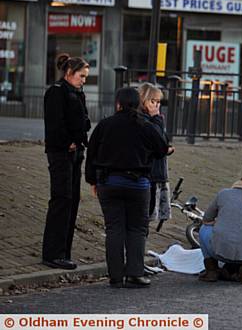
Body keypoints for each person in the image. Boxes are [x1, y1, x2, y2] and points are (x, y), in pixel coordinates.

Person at [86, 87, 169, 288]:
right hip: (138, 185)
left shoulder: (105, 125)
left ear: (118, 104)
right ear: (138, 104)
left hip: (109, 183)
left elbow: (92, 154)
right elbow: (162, 149)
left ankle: (115, 275)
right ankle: (135, 273)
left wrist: (93, 181)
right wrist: (157, 119)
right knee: (137, 229)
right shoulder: (145, 125)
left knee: (114, 229)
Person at [42, 54, 91, 270]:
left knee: (71, 200)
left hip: (75, 152)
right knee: (62, 199)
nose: (83, 80)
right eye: (81, 76)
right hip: (61, 152)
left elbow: (84, 120)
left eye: (85, 77)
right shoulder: (56, 92)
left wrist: (79, 140)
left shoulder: (77, 93)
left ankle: (64, 251)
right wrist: (68, 142)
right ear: (69, 73)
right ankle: (53, 253)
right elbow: (55, 124)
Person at [198, 165, 242, 285]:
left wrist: (218, 222)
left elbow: (206, 219)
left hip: (218, 252)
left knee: (204, 229)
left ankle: (211, 270)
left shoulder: (223, 194)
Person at [138, 83, 174, 222]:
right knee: (145, 214)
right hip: (150, 172)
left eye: (158, 102)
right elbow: (160, 142)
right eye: (153, 101)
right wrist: (157, 119)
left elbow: (164, 140)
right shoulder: (147, 120)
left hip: (156, 172)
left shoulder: (155, 119)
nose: (156, 106)